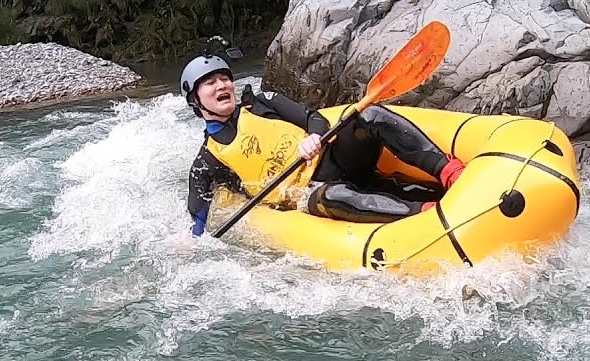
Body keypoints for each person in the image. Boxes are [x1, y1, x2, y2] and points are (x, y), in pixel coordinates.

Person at [183, 39, 466, 237]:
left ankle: (449, 172)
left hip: (334, 158)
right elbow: (197, 215)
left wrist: (315, 136)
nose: (222, 85)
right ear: (196, 100)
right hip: (308, 194)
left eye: (225, 78)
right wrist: (189, 241)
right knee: (333, 196)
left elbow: (314, 119)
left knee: (369, 115)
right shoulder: (207, 161)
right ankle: (427, 214)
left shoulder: (261, 102)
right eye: (210, 82)